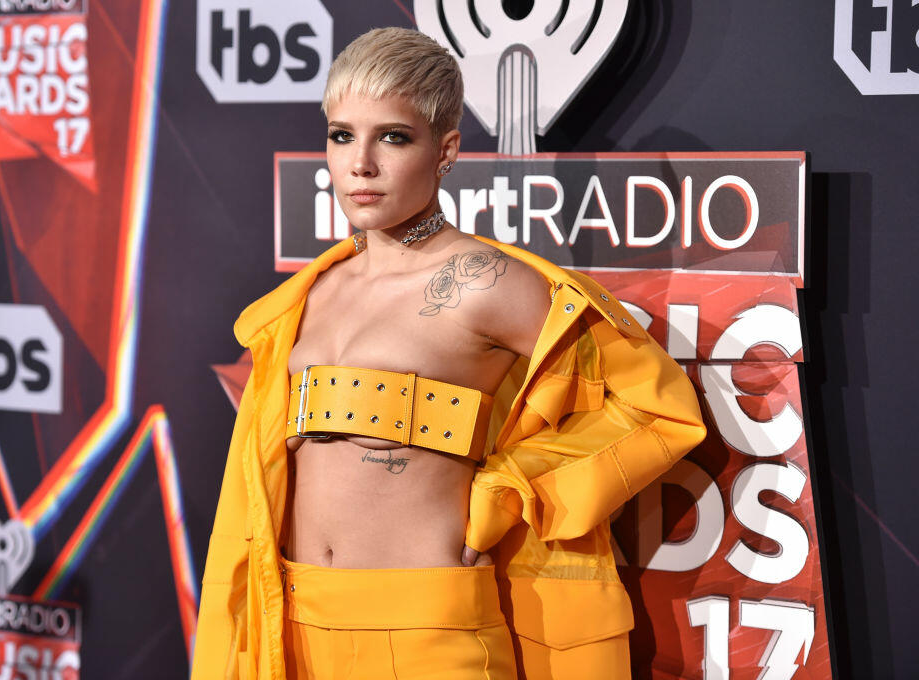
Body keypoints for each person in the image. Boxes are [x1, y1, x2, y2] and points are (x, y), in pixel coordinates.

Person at [191, 27, 706, 680]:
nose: (361, 164)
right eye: (342, 135)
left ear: (446, 150)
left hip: (428, 631)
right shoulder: (309, 295)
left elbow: (657, 407)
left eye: (394, 137)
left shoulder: (488, 284)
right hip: (291, 625)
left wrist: (516, 489)